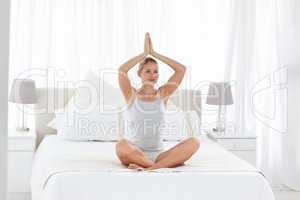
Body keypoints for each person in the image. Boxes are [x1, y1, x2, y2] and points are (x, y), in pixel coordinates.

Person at [116, 33, 200, 171]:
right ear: (139, 74)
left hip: (160, 155)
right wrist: (144, 54)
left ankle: (150, 167)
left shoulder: (163, 94)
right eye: (148, 71)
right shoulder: (131, 94)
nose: (152, 75)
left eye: (156, 72)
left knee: (194, 142)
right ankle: (158, 167)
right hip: (135, 153)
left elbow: (181, 69)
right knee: (121, 144)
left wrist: (155, 54)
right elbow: (122, 70)